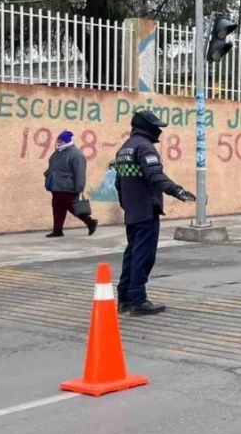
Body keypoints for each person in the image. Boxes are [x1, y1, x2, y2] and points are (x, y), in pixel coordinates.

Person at [115, 110, 196, 316]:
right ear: (146, 127)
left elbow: (118, 183)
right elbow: (155, 176)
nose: (159, 130)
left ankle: (124, 298)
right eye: (156, 127)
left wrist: (127, 205)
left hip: (133, 210)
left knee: (132, 254)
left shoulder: (125, 148)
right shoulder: (145, 148)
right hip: (145, 210)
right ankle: (138, 299)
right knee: (144, 255)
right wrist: (177, 190)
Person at [43, 130, 98, 238]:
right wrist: (47, 174)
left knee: (72, 206)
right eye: (58, 141)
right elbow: (52, 166)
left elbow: (80, 172)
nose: (58, 143)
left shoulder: (76, 154)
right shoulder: (57, 153)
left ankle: (90, 222)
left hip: (68, 187)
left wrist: (79, 187)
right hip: (56, 186)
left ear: (67, 141)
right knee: (58, 207)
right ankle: (57, 230)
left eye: (61, 141)